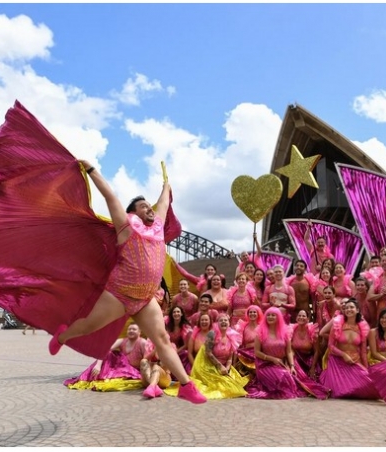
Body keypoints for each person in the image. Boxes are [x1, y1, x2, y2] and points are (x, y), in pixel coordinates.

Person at [48, 160, 205, 404]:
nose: (150, 208)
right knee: (88, 326)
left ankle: (186, 385)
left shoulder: (158, 228)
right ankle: (62, 336)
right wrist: (92, 171)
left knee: (162, 340)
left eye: (149, 206)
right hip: (120, 295)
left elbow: (163, 202)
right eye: (144, 207)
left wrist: (166, 186)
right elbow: (110, 196)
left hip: (146, 299)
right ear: (134, 213)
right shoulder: (126, 226)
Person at [246, 307, 328, 399]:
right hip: (265, 364)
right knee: (283, 376)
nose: (270, 317)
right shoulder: (260, 332)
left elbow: (288, 351)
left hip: (282, 363)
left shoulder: (285, 332)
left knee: (293, 376)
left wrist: (292, 366)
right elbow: (257, 352)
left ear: (278, 317)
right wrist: (272, 359)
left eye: (273, 315)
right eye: (268, 315)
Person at [167, 313, 248, 400]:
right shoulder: (212, 334)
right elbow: (208, 353)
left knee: (237, 387)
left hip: (225, 367)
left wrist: (227, 368)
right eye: (221, 320)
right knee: (227, 388)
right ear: (217, 323)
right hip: (210, 366)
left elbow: (230, 357)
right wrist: (220, 366)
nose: (223, 322)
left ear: (229, 323)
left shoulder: (231, 336)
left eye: (225, 320)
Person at [64, 323, 154, 393]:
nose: (131, 331)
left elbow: (147, 360)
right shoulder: (122, 341)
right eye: (129, 329)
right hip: (122, 368)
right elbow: (105, 349)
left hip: (135, 371)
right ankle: (94, 375)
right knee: (109, 354)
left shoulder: (142, 343)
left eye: (134, 329)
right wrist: (98, 365)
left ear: (139, 332)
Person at [319, 299, 379, 399]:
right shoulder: (337, 324)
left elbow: (363, 352)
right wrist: (343, 355)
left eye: (351, 307)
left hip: (354, 361)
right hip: (338, 362)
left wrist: (365, 369)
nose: (348, 309)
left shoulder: (362, 327)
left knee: (370, 387)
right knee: (342, 392)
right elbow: (330, 346)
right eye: (346, 308)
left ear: (357, 310)